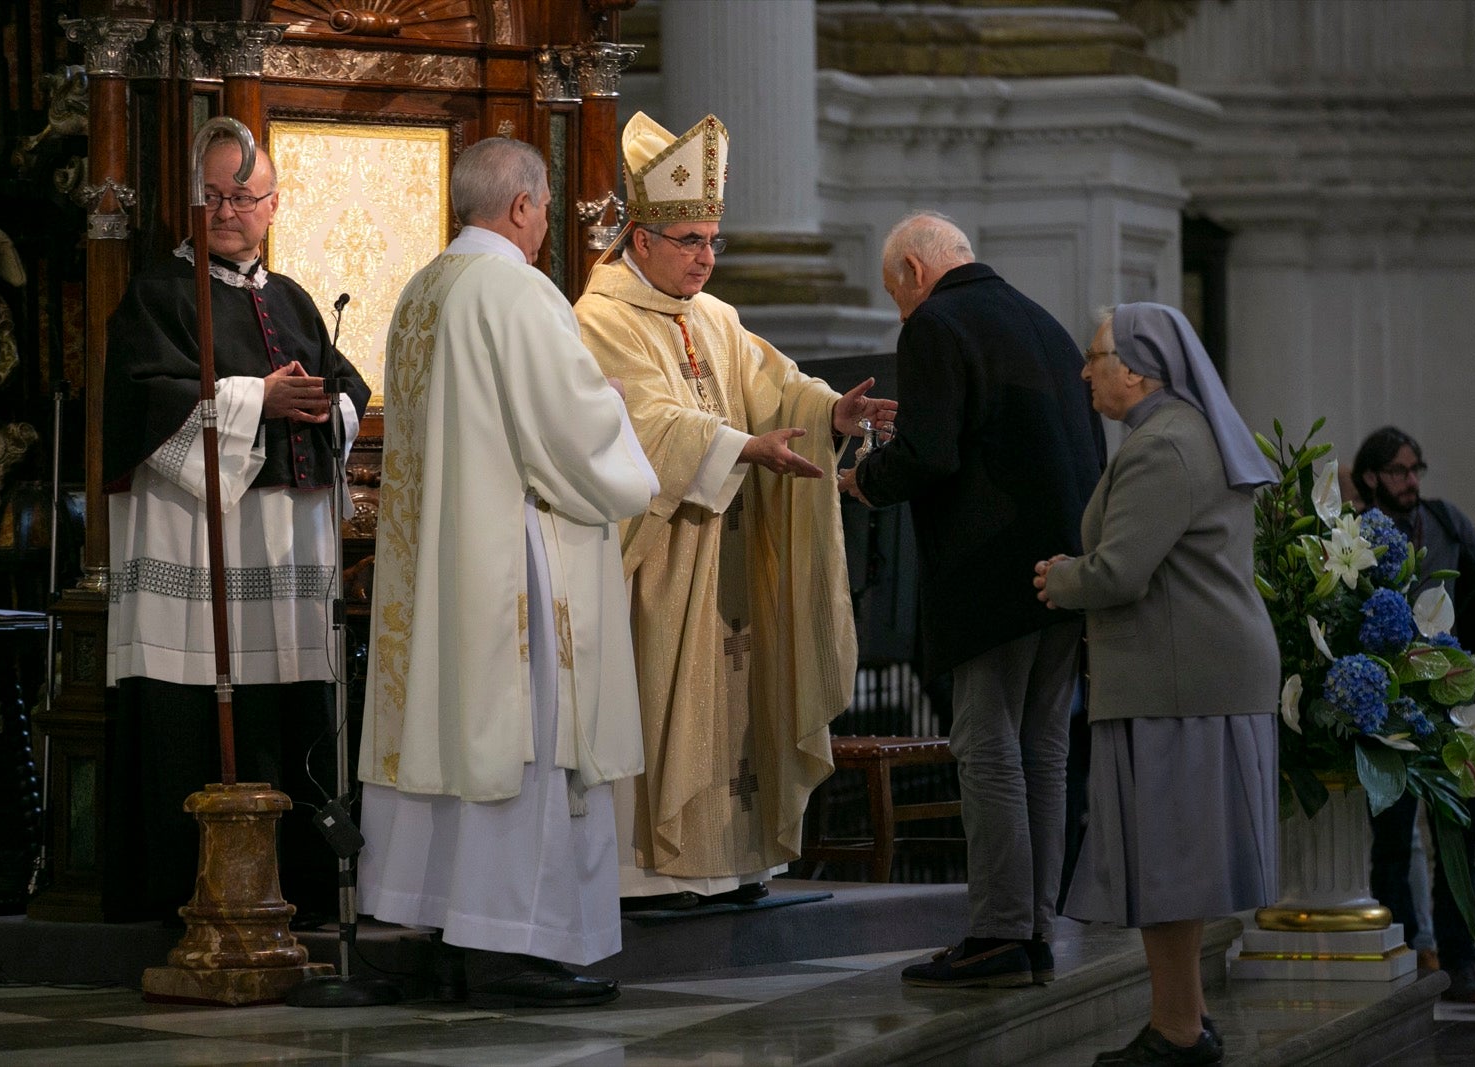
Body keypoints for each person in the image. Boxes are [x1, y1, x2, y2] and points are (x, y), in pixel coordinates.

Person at [356, 137, 658, 1008]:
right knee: (519, 746)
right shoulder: (514, 290)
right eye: (544, 207)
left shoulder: (422, 290)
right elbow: (572, 428)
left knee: (454, 738)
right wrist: (628, 444)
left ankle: (452, 930)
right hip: (510, 569)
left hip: (436, 564)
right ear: (522, 206)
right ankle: (514, 941)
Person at [573, 112, 892, 909]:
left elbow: (773, 382)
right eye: (689, 240)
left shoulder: (713, 317)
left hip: (730, 556)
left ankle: (737, 863)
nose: (706, 257)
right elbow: (642, 422)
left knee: (739, 712)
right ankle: (654, 870)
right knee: (667, 708)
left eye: (714, 240)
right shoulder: (599, 319)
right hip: (666, 560)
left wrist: (828, 416)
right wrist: (740, 449)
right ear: (640, 240)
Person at [103, 133, 370, 924]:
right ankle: (189, 896)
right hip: (199, 539)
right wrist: (260, 398)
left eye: (244, 198)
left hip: (285, 551)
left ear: (273, 208)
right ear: (195, 201)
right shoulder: (158, 293)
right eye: (215, 196)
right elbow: (144, 398)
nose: (228, 211)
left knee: (290, 705)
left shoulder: (291, 298)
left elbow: (346, 384)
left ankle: (303, 892)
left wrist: (324, 404)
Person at [837, 212, 1103, 988]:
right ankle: (1035, 928)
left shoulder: (937, 324)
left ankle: (994, 933)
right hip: (1065, 575)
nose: (900, 314)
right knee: (1044, 754)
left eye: (896, 296)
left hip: (989, 581)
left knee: (986, 752)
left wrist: (861, 481)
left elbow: (931, 454)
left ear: (916, 272)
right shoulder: (1044, 323)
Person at [1034, 303, 1279, 1066]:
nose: (1086, 371)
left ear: (1137, 369)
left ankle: (1177, 1030)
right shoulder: (1172, 435)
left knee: (1170, 864)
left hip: (1178, 681)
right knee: (1175, 862)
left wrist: (1058, 579)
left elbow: (1120, 571)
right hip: (1188, 675)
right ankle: (1186, 1018)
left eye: (1097, 356)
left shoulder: (1163, 445)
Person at [1352, 425, 1475, 1004]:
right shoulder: (1359, 530)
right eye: (1401, 471)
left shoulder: (1444, 519)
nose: (1412, 481)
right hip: (1394, 708)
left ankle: (1462, 964)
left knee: (1459, 838)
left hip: (1452, 702)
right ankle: (1403, 957)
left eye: (1417, 469)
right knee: (1393, 844)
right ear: (1374, 475)